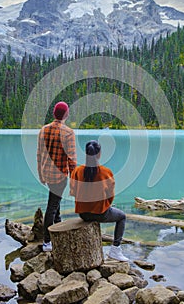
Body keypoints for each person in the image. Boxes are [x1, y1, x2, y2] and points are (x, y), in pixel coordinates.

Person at [70, 140, 128, 262]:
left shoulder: (77, 171)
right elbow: (110, 196)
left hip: (83, 214)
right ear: (99, 154)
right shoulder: (106, 172)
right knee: (122, 216)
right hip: (100, 214)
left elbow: (73, 192)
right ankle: (115, 250)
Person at [37, 101, 77, 251]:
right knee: (52, 207)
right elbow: (71, 159)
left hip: (47, 174)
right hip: (60, 176)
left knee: (56, 205)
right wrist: (74, 179)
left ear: (54, 114)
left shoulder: (43, 130)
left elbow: (39, 155)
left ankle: (58, 232)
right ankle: (47, 242)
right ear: (66, 115)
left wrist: (41, 174)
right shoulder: (68, 133)